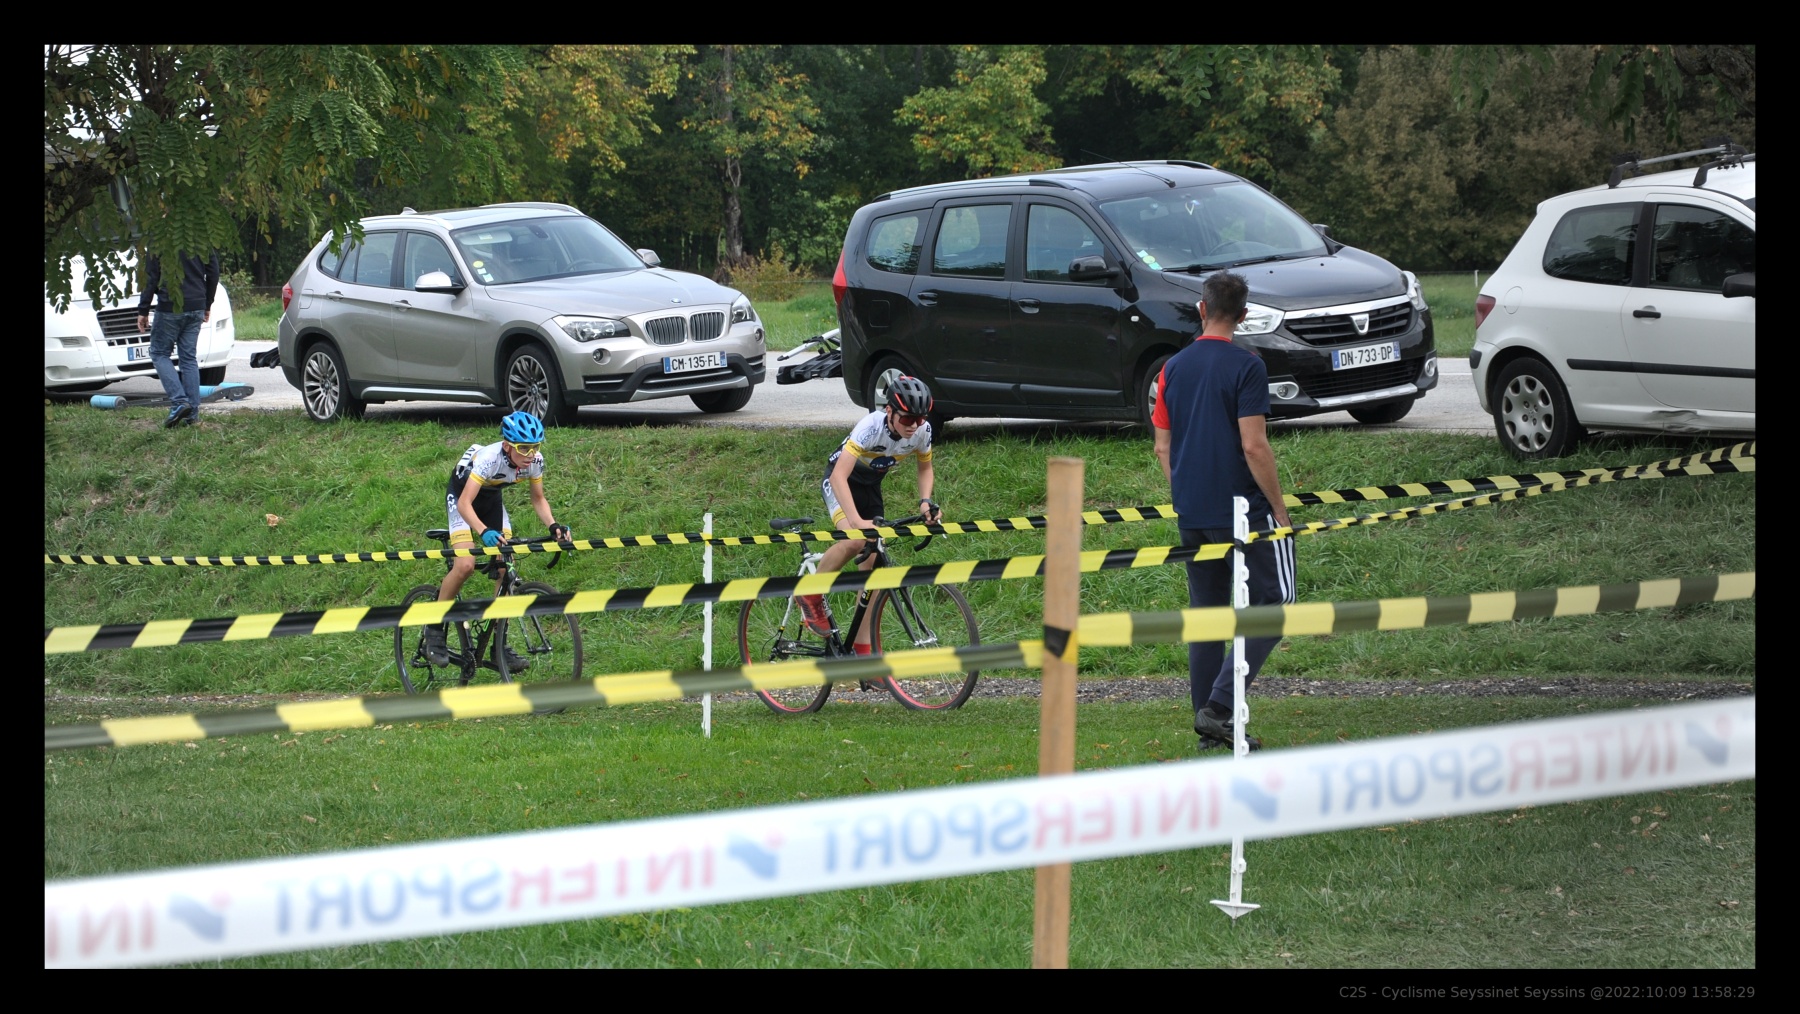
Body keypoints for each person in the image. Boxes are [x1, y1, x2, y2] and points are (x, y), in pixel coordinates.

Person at [1151, 271, 1296, 751]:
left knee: (1207, 615)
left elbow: (1162, 447)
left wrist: (1186, 493)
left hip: (1192, 511)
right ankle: (1220, 706)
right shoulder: (1248, 365)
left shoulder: (1172, 368)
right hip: (1243, 511)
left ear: (1201, 309)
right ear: (1244, 315)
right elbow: (1254, 446)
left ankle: (1209, 727)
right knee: (1275, 604)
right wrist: (1279, 508)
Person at [796, 376, 942, 657]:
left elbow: (925, 468)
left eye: (920, 418)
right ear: (889, 411)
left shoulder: (923, 431)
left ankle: (864, 654)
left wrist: (925, 502)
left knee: (872, 577)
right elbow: (839, 476)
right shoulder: (870, 427)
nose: (914, 425)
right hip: (840, 481)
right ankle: (810, 593)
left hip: (871, 487)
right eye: (907, 418)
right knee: (855, 540)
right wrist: (855, 522)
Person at [422, 411, 572, 668]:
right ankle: (433, 628)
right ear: (507, 445)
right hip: (462, 497)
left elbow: (538, 499)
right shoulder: (489, 459)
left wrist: (553, 526)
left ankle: (499, 645)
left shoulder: (535, 461)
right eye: (523, 448)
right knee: (465, 565)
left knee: (506, 568)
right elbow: (465, 504)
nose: (530, 454)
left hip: (491, 500)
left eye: (535, 447)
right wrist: (483, 531)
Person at [135, 249, 221, 428]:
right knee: (188, 358)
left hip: (170, 306)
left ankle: (179, 402)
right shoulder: (202, 238)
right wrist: (207, 303)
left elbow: (151, 277)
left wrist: (143, 309)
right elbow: (213, 273)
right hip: (196, 305)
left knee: (159, 353)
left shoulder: (158, 240)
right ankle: (193, 414)